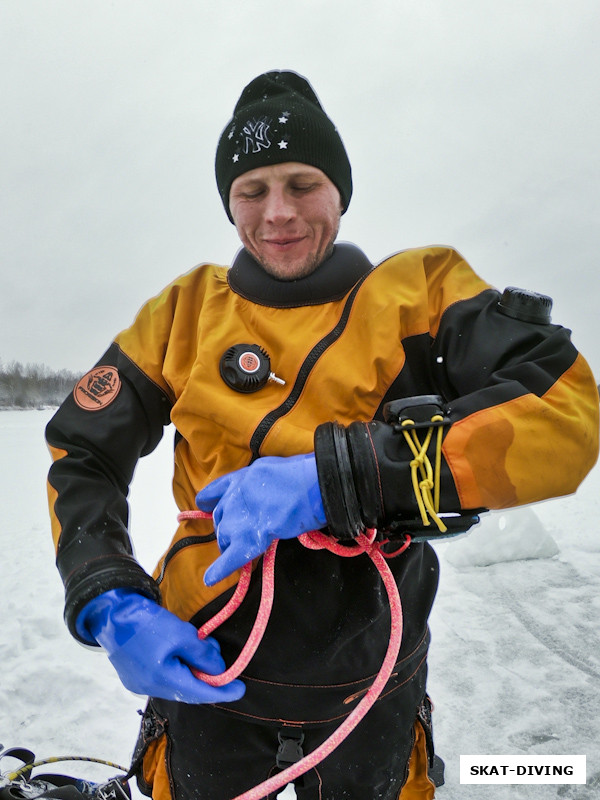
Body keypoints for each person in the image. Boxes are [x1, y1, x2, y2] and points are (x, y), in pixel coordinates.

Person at [46, 70, 599, 800]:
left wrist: (338, 478)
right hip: (207, 670)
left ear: (339, 190)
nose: (278, 213)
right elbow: (84, 449)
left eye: (303, 184)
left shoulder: (421, 294)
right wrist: (108, 599)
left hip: (371, 680)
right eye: (252, 190)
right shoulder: (183, 314)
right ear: (230, 203)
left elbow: (565, 416)